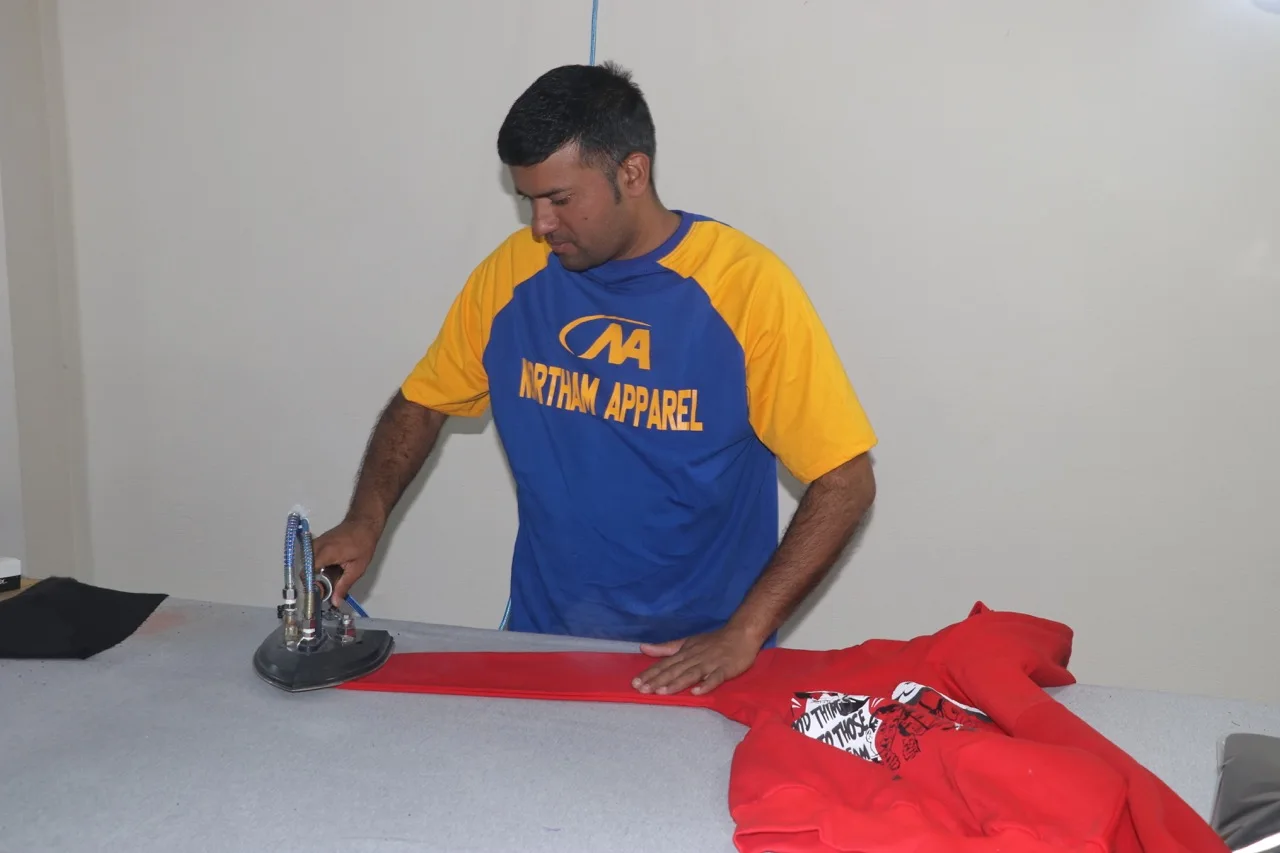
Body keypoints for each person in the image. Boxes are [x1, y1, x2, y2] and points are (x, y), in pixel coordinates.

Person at [313, 61, 878, 697]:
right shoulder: (514, 274)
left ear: (631, 173)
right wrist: (365, 519)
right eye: (529, 201)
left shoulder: (745, 290)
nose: (540, 225)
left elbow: (846, 481)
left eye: (560, 199)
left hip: (696, 659)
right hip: (544, 640)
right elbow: (421, 403)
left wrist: (745, 632)